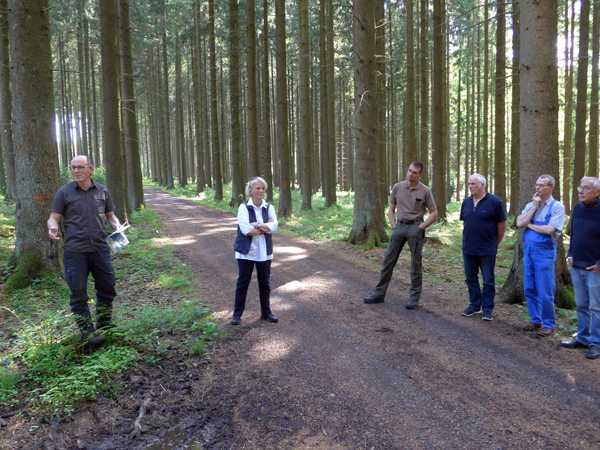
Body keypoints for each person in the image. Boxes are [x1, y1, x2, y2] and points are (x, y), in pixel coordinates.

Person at [48, 155, 122, 352]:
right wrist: (52, 228)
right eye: (73, 167)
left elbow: (110, 215)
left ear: (91, 169)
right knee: (78, 292)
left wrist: (118, 226)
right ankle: (87, 333)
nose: (76, 171)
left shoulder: (103, 191)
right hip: (75, 251)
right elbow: (53, 218)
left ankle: (104, 326)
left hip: (100, 248)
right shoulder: (64, 193)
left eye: (80, 167)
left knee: (107, 287)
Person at [364, 162, 438, 309]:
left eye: (415, 172)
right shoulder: (398, 187)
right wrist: (393, 225)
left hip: (415, 228)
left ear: (420, 175)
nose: (411, 174)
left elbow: (434, 213)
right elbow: (391, 208)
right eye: (409, 171)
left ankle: (414, 299)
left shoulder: (425, 191)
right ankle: (379, 294)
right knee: (388, 261)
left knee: (415, 264)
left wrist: (420, 228)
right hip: (399, 227)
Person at [516, 174, 565, 337]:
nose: (537, 188)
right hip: (529, 251)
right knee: (529, 287)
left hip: (544, 253)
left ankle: (549, 324)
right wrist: (534, 207)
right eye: (537, 185)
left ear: (551, 187)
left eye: (542, 185)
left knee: (545, 289)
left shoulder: (557, 207)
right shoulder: (531, 204)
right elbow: (519, 223)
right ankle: (535, 320)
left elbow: (550, 229)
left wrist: (529, 225)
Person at [561, 177, 600, 359]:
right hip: (576, 265)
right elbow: (574, 235)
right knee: (582, 305)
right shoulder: (577, 209)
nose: (580, 191)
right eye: (580, 187)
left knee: (596, 307)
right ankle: (582, 338)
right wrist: (570, 254)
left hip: (595, 269)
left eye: (586, 188)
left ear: (597, 192)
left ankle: (596, 342)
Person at [231, 177, 278, 325]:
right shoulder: (243, 207)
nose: (260, 191)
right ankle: (237, 315)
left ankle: (266, 312)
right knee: (243, 283)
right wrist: (265, 227)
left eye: (263, 188)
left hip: (264, 252)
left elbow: (275, 226)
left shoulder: (269, 207)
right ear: (250, 190)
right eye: (257, 188)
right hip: (246, 252)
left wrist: (258, 226)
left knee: (265, 283)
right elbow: (246, 230)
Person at [460, 174, 506, 321]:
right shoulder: (466, 202)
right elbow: (466, 223)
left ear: (482, 185)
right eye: (469, 184)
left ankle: (487, 309)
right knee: (470, 278)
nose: (470, 186)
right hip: (468, 248)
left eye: (473, 183)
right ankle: (474, 305)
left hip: (487, 249)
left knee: (488, 280)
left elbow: (501, 225)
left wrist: (494, 243)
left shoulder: (495, 202)